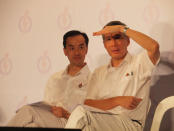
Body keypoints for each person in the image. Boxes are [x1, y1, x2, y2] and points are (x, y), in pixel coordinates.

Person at [65, 21, 160, 131]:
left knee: (82, 114)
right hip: (102, 121)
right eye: (109, 39)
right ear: (104, 44)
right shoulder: (99, 72)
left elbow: (154, 47)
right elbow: (88, 103)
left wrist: (121, 29)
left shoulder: (139, 63)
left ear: (128, 41)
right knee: (84, 124)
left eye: (117, 37)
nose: (114, 44)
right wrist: (117, 101)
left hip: (131, 124)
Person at [7, 30, 91, 128]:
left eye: (81, 47)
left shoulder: (93, 80)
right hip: (50, 121)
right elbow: (46, 106)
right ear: (65, 51)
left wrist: (66, 114)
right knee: (32, 126)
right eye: (72, 48)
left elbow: (92, 118)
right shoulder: (55, 78)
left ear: (86, 49)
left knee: (28, 110)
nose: (77, 52)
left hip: (73, 124)